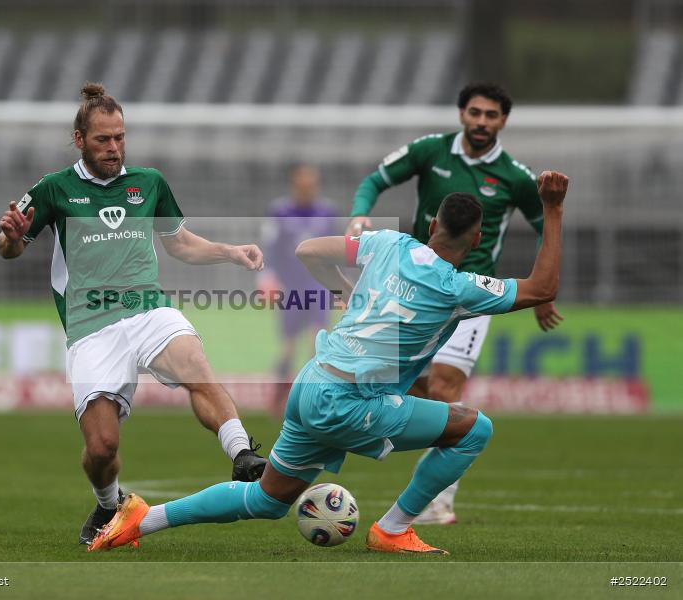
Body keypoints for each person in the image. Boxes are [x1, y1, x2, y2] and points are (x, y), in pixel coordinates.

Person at [89, 171, 569, 555]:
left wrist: (346, 290)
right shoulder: (458, 288)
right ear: (478, 236)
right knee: (474, 428)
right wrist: (551, 210)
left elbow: (307, 250)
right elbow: (542, 287)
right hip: (352, 402)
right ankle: (395, 529)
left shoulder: (388, 244)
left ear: (430, 226)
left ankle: (141, 519)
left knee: (267, 500)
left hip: (312, 384)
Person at [0, 82, 268, 546]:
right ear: (79, 140)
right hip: (89, 327)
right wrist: (12, 237)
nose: (114, 147)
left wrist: (230, 252)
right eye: (103, 139)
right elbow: (10, 248)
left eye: (120, 137)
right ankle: (108, 505)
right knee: (101, 449)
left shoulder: (150, 183)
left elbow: (179, 242)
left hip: (147, 310)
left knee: (194, 365)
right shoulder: (53, 189)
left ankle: (242, 454)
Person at [345, 82, 563, 524]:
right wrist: (360, 212)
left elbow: (546, 226)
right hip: (416, 289)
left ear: (503, 121)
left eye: (492, 116)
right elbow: (375, 180)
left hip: (469, 296)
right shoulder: (431, 151)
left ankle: (437, 503)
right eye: (475, 113)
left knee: (444, 387)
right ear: (462, 113)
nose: (482, 122)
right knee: (400, 386)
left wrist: (541, 293)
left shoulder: (515, 177)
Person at [258, 165, 338, 414]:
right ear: (295, 185)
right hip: (291, 285)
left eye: (311, 185)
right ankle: (278, 400)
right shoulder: (280, 212)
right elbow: (270, 248)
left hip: (318, 285)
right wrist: (267, 278)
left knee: (318, 341)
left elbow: (336, 252)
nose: (306, 189)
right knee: (288, 346)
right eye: (302, 185)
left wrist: (340, 287)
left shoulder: (327, 212)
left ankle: (311, 399)